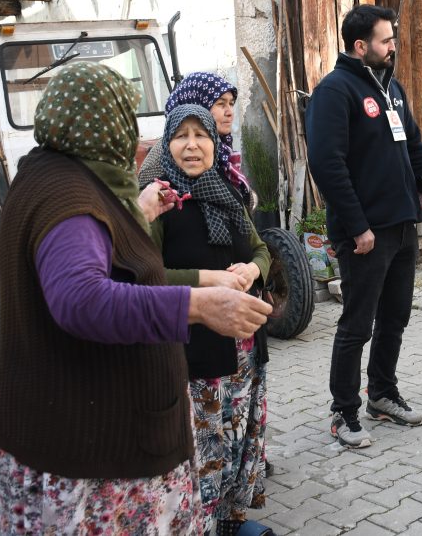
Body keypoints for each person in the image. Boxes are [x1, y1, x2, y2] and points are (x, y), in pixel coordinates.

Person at [0, 62, 271, 534]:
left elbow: (107, 258)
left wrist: (136, 213)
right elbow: (82, 299)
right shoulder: (68, 196)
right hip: (85, 444)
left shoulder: (56, 178)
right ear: (110, 124)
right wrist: (198, 304)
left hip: (80, 431)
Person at [306, 4, 422, 449]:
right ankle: (343, 411)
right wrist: (358, 225)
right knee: (356, 324)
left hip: (402, 223)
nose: (393, 47)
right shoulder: (335, 91)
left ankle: (382, 394)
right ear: (360, 45)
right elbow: (327, 165)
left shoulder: (391, 88)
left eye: (393, 39)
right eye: (386, 40)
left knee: (395, 318)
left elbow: (414, 148)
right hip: (365, 234)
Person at [151, 103, 274, 535]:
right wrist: (210, 280)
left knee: (238, 438)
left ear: (214, 142)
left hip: (243, 348)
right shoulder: (159, 202)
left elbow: (261, 249)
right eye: (180, 136)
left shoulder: (228, 193)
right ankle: (199, 526)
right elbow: (144, 277)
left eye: (200, 135)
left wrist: (252, 270)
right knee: (203, 450)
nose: (192, 145)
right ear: (167, 145)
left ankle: (230, 520)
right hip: (193, 354)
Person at [140, 71, 252, 207]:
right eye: (221, 104)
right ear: (197, 103)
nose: (229, 112)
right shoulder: (163, 159)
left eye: (231, 104)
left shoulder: (222, 149)